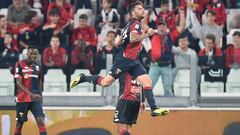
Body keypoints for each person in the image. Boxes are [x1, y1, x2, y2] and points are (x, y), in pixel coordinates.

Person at [71, 1, 169, 116]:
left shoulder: (130, 25)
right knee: (105, 82)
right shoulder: (136, 23)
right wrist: (147, 34)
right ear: (133, 12)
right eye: (139, 9)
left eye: (142, 8)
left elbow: (120, 41)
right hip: (125, 61)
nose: (142, 10)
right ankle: (83, 78)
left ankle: (154, 109)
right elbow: (133, 39)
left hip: (133, 61)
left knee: (147, 81)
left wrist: (125, 40)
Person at [14, 47, 47, 135]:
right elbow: (19, 84)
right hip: (22, 100)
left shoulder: (38, 66)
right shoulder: (19, 64)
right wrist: (31, 94)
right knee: (19, 124)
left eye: (35, 54)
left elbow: (39, 83)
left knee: (41, 121)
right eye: (31, 53)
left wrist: (41, 98)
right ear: (27, 54)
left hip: (35, 100)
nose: (33, 55)